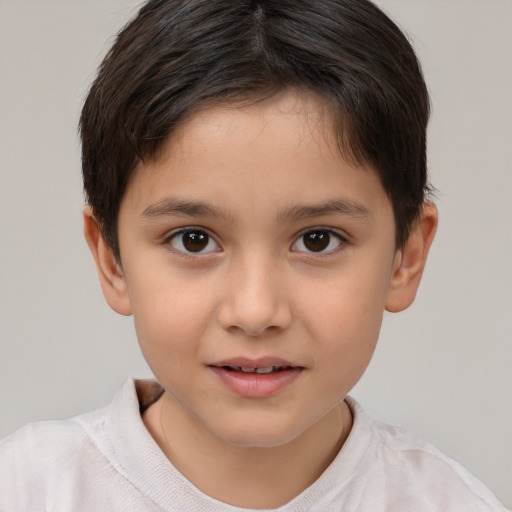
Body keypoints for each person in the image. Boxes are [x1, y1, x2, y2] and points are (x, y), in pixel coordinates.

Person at [0, 0, 508, 510]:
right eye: (194, 239)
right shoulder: (28, 490)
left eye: (317, 239)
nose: (255, 311)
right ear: (112, 260)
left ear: (406, 257)